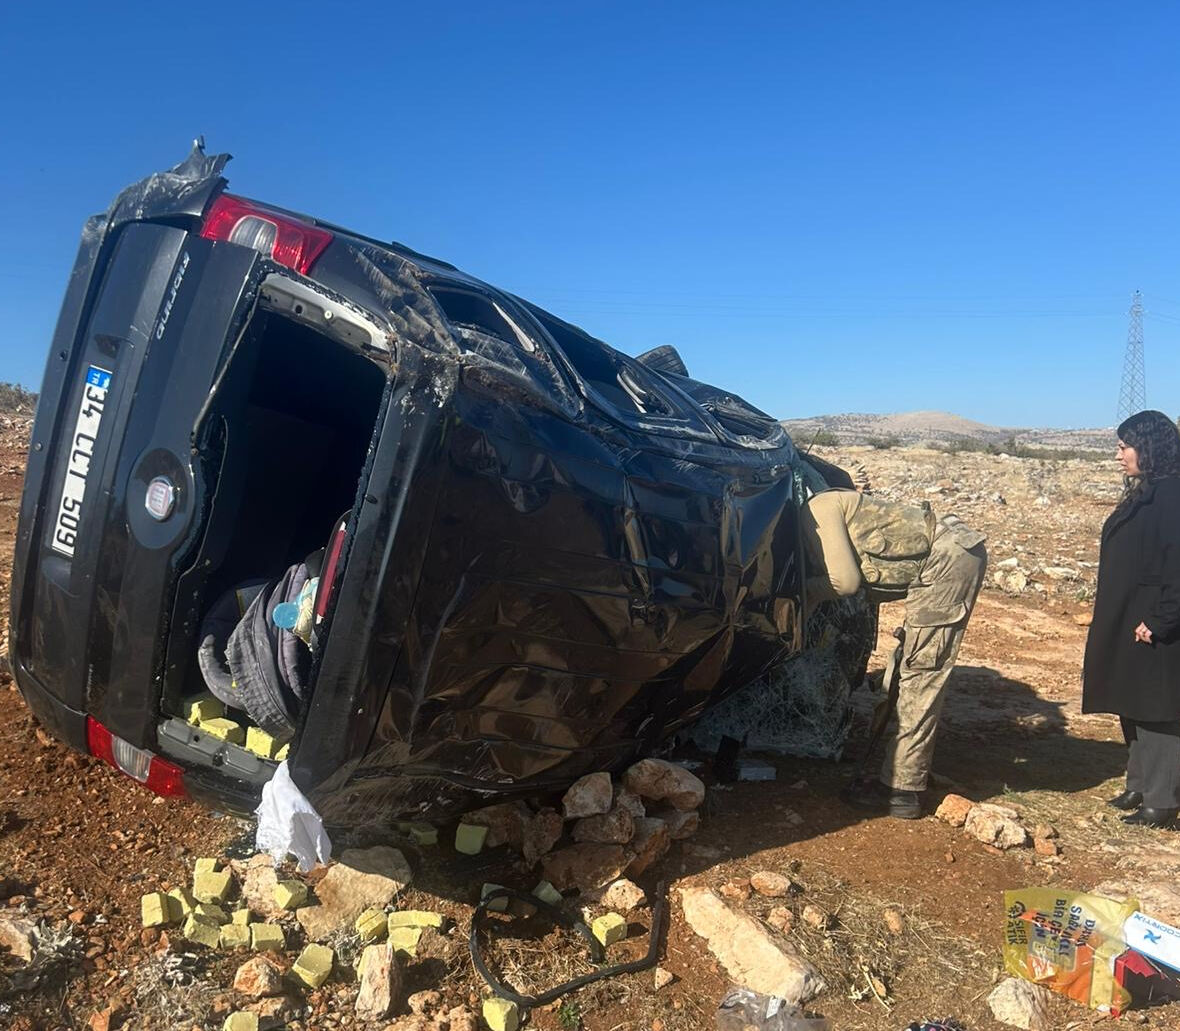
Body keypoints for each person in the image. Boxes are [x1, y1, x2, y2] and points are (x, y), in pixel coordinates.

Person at [801, 488, 987, 817]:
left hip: (947, 561)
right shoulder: (822, 503)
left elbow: (845, 582)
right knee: (909, 669)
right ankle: (908, 767)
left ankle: (903, 791)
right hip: (942, 559)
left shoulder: (818, 508)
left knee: (921, 675)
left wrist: (803, 593)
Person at [1082, 410, 1180, 829]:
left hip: (1155, 621)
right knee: (1132, 702)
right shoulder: (1149, 490)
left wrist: (1160, 619)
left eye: (1125, 446)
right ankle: (1139, 785)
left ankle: (1163, 803)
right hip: (1131, 615)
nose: (1119, 455)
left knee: (1157, 710)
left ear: (1149, 447)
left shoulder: (1173, 496)